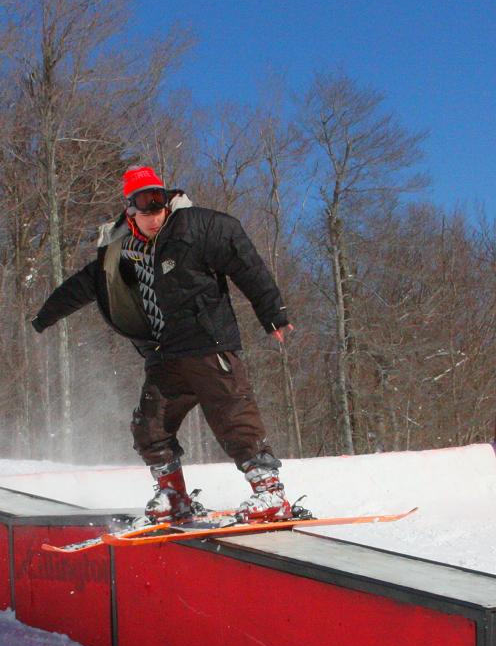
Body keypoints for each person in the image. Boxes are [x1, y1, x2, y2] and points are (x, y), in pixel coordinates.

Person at [31, 165, 309, 525]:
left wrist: (272, 312)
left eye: (158, 202)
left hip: (209, 344)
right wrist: (42, 319)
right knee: (150, 426)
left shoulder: (197, 226)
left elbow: (245, 262)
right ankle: (173, 495)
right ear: (130, 207)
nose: (153, 213)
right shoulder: (120, 249)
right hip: (164, 354)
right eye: (144, 205)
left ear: (167, 199)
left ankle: (270, 493)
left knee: (233, 417)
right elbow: (83, 286)